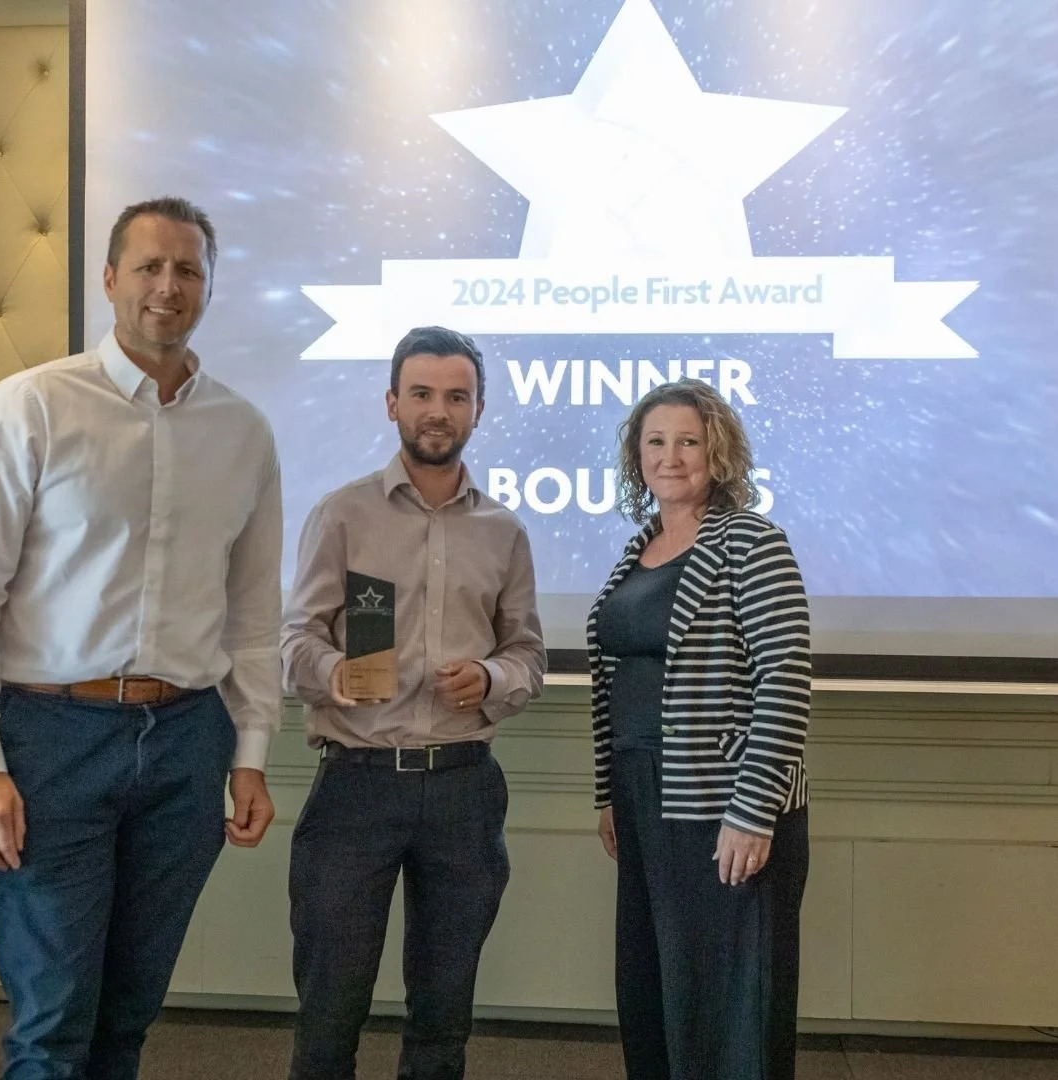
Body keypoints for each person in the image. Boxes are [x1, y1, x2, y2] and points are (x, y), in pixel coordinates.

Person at [0, 196, 281, 1080]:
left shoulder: (243, 431)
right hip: (52, 741)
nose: (169, 286)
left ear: (210, 287)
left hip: (188, 743)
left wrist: (249, 754)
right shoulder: (33, 406)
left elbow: (252, 615)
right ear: (111, 279)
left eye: (188, 270)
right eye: (150, 267)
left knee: (128, 1017)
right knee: (52, 1025)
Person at [280, 325, 546, 1080]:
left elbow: (528, 654)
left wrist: (489, 679)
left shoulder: (504, 532)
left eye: (456, 397)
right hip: (356, 784)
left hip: (464, 788)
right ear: (392, 403)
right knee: (330, 1008)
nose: (439, 410)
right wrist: (335, 671)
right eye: (422, 394)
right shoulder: (342, 515)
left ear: (478, 410)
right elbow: (294, 641)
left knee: (443, 1015)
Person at [588, 378, 813, 1079]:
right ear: (637, 456)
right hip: (641, 797)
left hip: (722, 800)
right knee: (654, 986)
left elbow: (785, 676)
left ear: (718, 453)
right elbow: (616, 680)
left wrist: (753, 812)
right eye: (655, 441)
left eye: (688, 441)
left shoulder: (751, 540)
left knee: (728, 1002)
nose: (671, 456)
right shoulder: (639, 549)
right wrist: (610, 793)